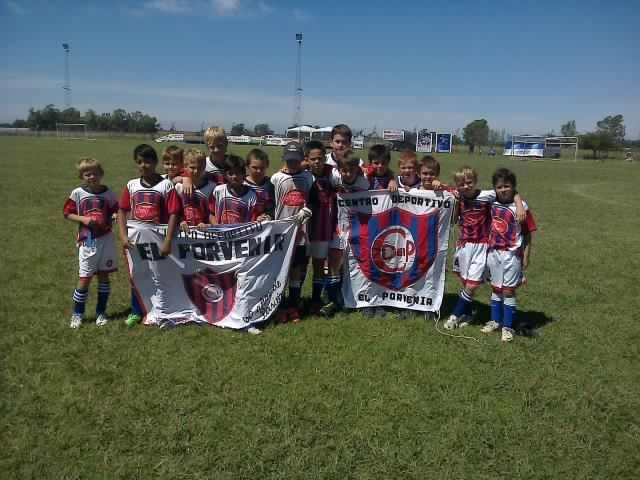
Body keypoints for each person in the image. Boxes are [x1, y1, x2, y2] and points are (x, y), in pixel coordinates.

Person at [444, 166, 525, 330]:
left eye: (469, 182)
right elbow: (453, 220)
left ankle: (454, 316)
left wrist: (519, 204)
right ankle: (467, 314)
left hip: (482, 246)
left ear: (475, 181)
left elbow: (511, 192)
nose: (466, 186)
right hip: (464, 246)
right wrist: (456, 202)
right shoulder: (456, 195)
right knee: (466, 283)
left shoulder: (487, 195)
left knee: (472, 285)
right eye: (462, 184)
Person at [117, 144, 181, 327]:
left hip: (158, 240)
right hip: (135, 240)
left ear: (155, 162)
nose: (143, 165)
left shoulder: (166, 185)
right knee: (137, 274)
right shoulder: (132, 185)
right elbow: (122, 211)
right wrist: (123, 236)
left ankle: (162, 311)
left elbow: (174, 214)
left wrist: (167, 241)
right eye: (139, 162)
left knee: (159, 275)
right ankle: (136, 311)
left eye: (147, 161)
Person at [480, 168, 537, 342]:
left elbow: (527, 233)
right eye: (499, 187)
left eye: (507, 186)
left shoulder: (522, 208)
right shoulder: (491, 202)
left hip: (512, 255)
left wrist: (526, 255)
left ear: (513, 187)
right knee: (496, 288)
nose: (503, 190)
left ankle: (508, 327)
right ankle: (495, 321)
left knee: (509, 291)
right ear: (494, 188)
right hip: (494, 253)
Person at [63, 158, 119, 328]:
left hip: (106, 239)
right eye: (87, 174)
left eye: (95, 173)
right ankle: (77, 314)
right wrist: (83, 219)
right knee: (84, 278)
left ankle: (101, 313)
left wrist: (115, 214)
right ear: (81, 176)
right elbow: (67, 213)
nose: (92, 177)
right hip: (88, 240)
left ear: (101, 174)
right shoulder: (77, 193)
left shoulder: (108, 193)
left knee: (104, 276)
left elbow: (115, 209)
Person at [321, 151, 370, 317]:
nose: (348, 174)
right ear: (339, 170)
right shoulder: (334, 177)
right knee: (335, 263)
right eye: (344, 170)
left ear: (357, 169)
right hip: (338, 226)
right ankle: (333, 297)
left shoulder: (363, 182)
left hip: (358, 227)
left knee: (356, 263)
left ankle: (356, 296)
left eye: (351, 170)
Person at [271, 142, 314, 323]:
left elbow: (314, 200)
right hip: (281, 232)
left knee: (296, 270)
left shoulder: (308, 177)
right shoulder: (276, 178)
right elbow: (270, 203)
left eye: (296, 161)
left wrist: (308, 210)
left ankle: (293, 305)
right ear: (284, 159)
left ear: (302, 160)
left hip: (301, 233)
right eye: (289, 161)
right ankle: (279, 306)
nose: (293, 164)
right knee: (280, 271)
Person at [305, 140, 334, 312]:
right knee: (299, 265)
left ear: (325, 158)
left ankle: (316, 299)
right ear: (306, 159)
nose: (317, 162)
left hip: (322, 228)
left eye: (320, 158)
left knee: (318, 264)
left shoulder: (331, 173)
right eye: (313, 159)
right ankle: (293, 299)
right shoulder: (303, 174)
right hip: (302, 229)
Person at [210, 155, 259, 224]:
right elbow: (211, 213)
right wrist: (217, 226)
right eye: (230, 173)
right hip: (221, 230)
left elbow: (254, 220)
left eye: (238, 173)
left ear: (244, 174)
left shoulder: (252, 196)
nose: (234, 176)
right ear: (225, 175)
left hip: (243, 231)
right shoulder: (218, 191)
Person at [175, 148, 216, 232]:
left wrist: (208, 224)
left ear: (205, 166)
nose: (196, 171)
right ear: (185, 167)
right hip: (184, 232)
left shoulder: (212, 187)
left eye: (200, 168)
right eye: (192, 168)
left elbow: (212, 213)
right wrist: (181, 221)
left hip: (204, 232)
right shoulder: (178, 187)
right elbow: (175, 210)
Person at [244, 148, 275, 221]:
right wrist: (254, 218)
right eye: (255, 168)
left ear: (267, 166)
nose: (259, 171)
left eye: (262, 168)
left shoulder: (270, 185)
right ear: (247, 166)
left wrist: (268, 216)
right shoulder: (241, 184)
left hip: (262, 225)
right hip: (245, 224)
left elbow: (272, 207)